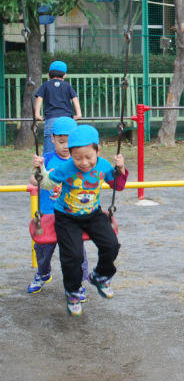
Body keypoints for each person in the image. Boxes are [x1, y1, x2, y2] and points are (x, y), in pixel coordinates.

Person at [33, 125, 128, 317]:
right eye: (77, 158)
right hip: (66, 217)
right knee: (73, 256)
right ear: (71, 155)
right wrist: (40, 168)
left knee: (111, 245)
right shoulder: (66, 168)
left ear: (98, 151)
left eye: (88, 157)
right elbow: (46, 184)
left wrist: (121, 168)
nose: (83, 162)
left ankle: (100, 275)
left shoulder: (102, 165)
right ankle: (73, 291)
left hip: (93, 213)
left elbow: (118, 185)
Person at [27, 117, 88, 301]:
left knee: (76, 253)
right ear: (52, 139)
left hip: (71, 216)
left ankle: (77, 285)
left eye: (69, 142)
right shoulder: (47, 159)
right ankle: (43, 273)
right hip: (48, 214)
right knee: (43, 250)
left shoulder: (80, 162)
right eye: (61, 141)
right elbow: (33, 179)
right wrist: (38, 169)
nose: (65, 146)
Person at [34, 60, 82, 154]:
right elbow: (75, 98)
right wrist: (79, 114)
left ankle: (48, 167)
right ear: (64, 75)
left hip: (51, 119)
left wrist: (37, 114)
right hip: (67, 119)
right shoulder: (67, 85)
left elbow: (39, 98)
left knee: (50, 147)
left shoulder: (45, 85)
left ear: (48, 75)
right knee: (71, 146)